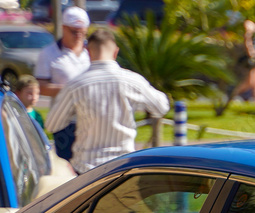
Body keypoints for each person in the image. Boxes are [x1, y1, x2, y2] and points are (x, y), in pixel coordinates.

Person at [46, 26, 170, 174]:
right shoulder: (132, 81)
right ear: (115, 52)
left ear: (88, 52)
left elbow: (52, 124)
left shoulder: (75, 86)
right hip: (123, 168)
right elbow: (162, 106)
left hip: (86, 170)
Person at [36, 6, 91, 97]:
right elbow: (40, 87)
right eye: (74, 32)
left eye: (83, 32)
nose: (78, 36)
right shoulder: (48, 53)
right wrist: (71, 90)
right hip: (63, 109)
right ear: (63, 28)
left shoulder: (91, 52)